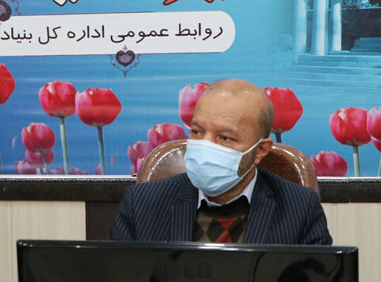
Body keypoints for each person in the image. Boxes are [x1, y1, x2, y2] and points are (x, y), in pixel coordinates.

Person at [110, 79, 331, 245]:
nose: (205, 146)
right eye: (197, 132)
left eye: (224, 138)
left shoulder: (299, 208)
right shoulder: (142, 204)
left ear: (260, 150)